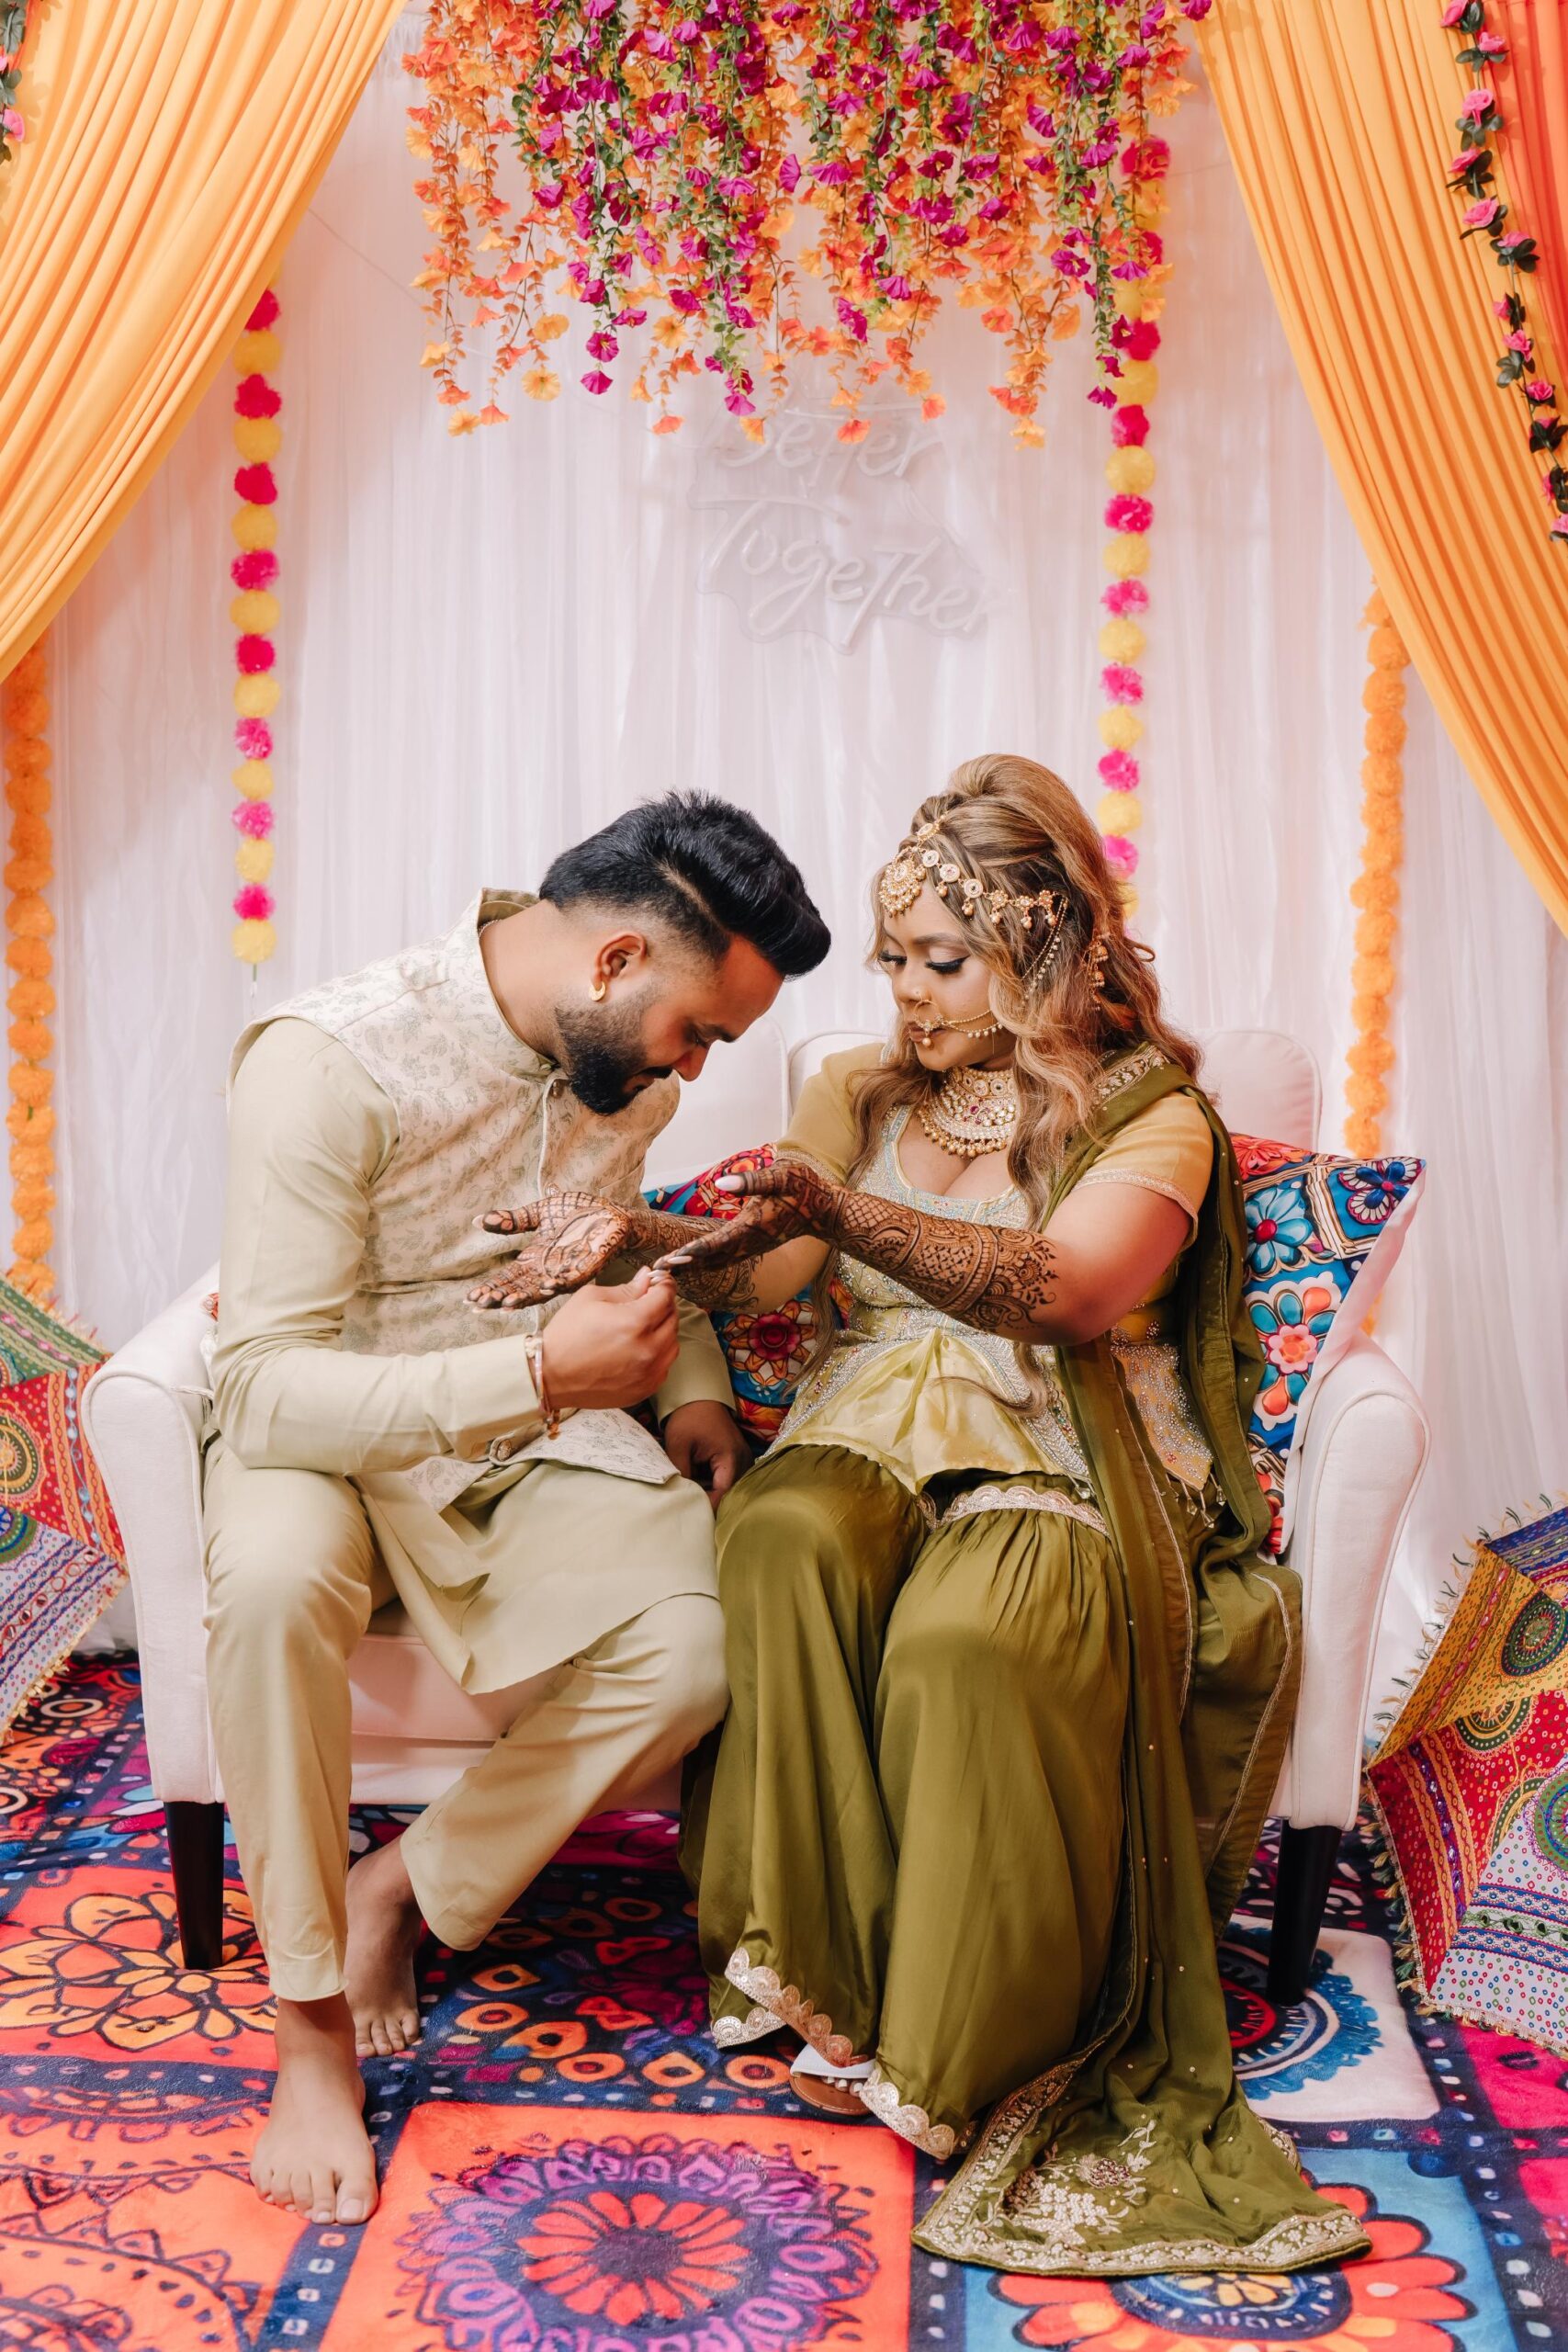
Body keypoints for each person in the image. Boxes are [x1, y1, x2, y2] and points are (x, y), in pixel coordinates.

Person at [476, 756, 1367, 2278]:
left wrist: (846, 1212)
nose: (904, 990)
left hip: (1061, 1443)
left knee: (972, 1641)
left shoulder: (1156, 1118)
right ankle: (812, 1981)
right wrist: (639, 1233)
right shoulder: (860, 1088)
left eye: (939, 960)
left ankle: (956, 2046)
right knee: (776, 1543)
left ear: (1043, 945)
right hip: (870, 1415)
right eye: (895, 957)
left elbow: (1059, 1292)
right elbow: (768, 1263)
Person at [203, 792, 829, 2230]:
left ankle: (399, 1890)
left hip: (529, 1442)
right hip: (328, 1435)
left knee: (698, 1645)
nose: (697, 1067)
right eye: (699, 1031)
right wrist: (538, 1375)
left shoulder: (622, 1074)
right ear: (614, 962)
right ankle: (308, 2023)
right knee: (275, 1586)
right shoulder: (328, 1062)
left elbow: (618, 1252)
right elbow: (265, 1392)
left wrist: (691, 1385)